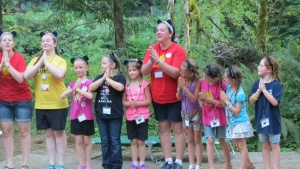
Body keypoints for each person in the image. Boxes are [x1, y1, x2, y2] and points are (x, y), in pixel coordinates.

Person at [141, 19, 187, 169]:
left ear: (170, 33)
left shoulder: (177, 50)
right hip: (158, 97)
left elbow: (176, 72)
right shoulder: (152, 49)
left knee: (178, 129)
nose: (158, 32)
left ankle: (178, 161)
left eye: (162, 30)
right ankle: (168, 160)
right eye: (157, 30)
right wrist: (151, 60)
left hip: (175, 96)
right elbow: (144, 72)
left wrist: (158, 62)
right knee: (163, 128)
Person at [24, 32, 69, 169]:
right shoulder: (35, 60)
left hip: (58, 103)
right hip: (41, 104)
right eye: (43, 41)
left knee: (59, 133)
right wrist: (40, 62)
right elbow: (26, 76)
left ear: (54, 43)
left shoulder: (60, 60)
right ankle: (51, 162)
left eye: (48, 40)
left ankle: (61, 163)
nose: (45, 43)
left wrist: (46, 62)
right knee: (48, 134)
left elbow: (60, 74)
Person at [0, 31, 33, 169]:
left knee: (24, 132)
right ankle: (9, 163)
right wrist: (2, 63)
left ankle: (24, 164)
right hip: (3, 101)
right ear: (0, 44)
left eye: (10, 40)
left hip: (22, 100)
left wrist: (8, 64)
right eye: (4, 40)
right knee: (6, 132)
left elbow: (20, 78)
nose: (7, 42)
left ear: (14, 44)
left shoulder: (19, 58)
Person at [89, 53, 126, 169]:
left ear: (112, 65)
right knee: (104, 141)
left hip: (115, 116)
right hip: (101, 116)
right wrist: (103, 79)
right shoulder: (99, 77)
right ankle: (106, 165)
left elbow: (120, 87)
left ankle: (116, 165)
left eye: (104, 63)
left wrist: (108, 79)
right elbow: (91, 88)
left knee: (114, 141)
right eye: (102, 63)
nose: (102, 65)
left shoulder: (119, 77)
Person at [60, 56, 94, 169]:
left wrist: (78, 89)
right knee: (79, 140)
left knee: (87, 140)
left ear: (86, 68)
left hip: (87, 116)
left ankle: (88, 163)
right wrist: (73, 88)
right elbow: (62, 96)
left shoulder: (90, 82)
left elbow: (90, 96)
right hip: (75, 116)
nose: (78, 70)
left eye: (81, 67)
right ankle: (81, 163)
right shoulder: (72, 84)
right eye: (76, 68)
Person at [248, 57, 282, 169]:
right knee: (264, 145)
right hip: (261, 121)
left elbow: (275, 102)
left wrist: (264, 90)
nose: (258, 67)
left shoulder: (276, 84)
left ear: (269, 69)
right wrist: (259, 90)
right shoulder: (256, 83)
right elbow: (251, 101)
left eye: (261, 65)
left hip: (273, 121)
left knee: (275, 145)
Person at [198, 63, 232, 169]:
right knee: (210, 140)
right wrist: (201, 97)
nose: (205, 79)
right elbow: (200, 97)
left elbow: (223, 104)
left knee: (222, 139)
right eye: (204, 76)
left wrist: (209, 99)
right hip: (207, 115)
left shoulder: (223, 85)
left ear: (216, 78)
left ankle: (228, 163)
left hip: (220, 116)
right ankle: (211, 166)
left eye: (207, 78)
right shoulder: (202, 82)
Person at [220, 65, 255, 169]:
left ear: (233, 80)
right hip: (232, 122)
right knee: (236, 143)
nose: (224, 79)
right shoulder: (228, 88)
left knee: (242, 145)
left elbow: (236, 111)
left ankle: (242, 167)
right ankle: (248, 164)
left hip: (241, 121)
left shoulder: (240, 93)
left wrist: (227, 101)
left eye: (226, 77)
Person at [122, 59, 152, 169]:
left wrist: (137, 103)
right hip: (130, 116)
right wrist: (130, 103)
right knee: (133, 141)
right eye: (129, 70)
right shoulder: (126, 85)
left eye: (134, 70)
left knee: (141, 141)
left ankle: (142, 163)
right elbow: (124, 102)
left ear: (139, 70)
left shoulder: (144, 84)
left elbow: (149, 100)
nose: (131, 72)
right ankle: (134, 163)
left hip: (142, 116)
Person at [176, 59, 203, 169]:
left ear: (191, 73)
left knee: (197, 140)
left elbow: (194, 99)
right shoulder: (181, 80)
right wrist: (179, 88)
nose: (180, 73)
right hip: (185, 113)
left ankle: (198, 164)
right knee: (190, 140)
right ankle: (191, 163)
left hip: (196, 113)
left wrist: (184, 87)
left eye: (182, 71)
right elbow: (178, 97)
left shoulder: (198, 81)